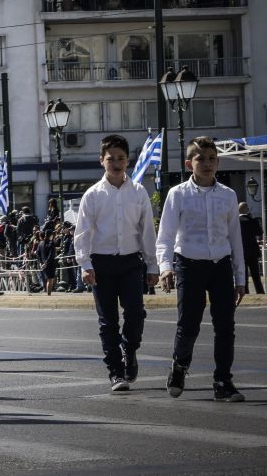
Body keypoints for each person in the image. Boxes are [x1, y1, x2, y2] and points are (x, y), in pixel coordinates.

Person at [157, 136, 246, 402]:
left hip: (220, 266)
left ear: (218, 162)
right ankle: (180, 365)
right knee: (188, 324)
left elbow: (235, 238)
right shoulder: (178, 194)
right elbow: (166, 234)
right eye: (200, 159)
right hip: (189, 264)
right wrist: (165, 267)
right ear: (189, 163)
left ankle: (223, 381)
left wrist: (240, 278)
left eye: (211, 159)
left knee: (225, 327)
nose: (206, 164)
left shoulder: (228, 195)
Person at [74, 134, 158, 393]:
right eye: (111, 159)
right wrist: (85, 264)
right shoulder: (93, 195)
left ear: (128, 161)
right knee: (107, 321)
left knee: (135, 314)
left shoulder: (139, 192)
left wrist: (153, 266)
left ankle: (129, 349)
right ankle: (115, 372)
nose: (116, 163)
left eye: (121, 158)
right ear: (102, 161)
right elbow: (83, 232)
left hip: (131, 263)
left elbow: (147, 231)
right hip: (101, 265)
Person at [238, 203, 265, 295]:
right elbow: (260, 232)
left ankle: (245, 291)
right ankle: (260, 291)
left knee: (243, 274)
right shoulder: (253, 220)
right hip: (253, 251)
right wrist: (252, 218)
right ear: (247, 209)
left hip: (240, 251)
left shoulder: (236, 221)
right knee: (256, 275)